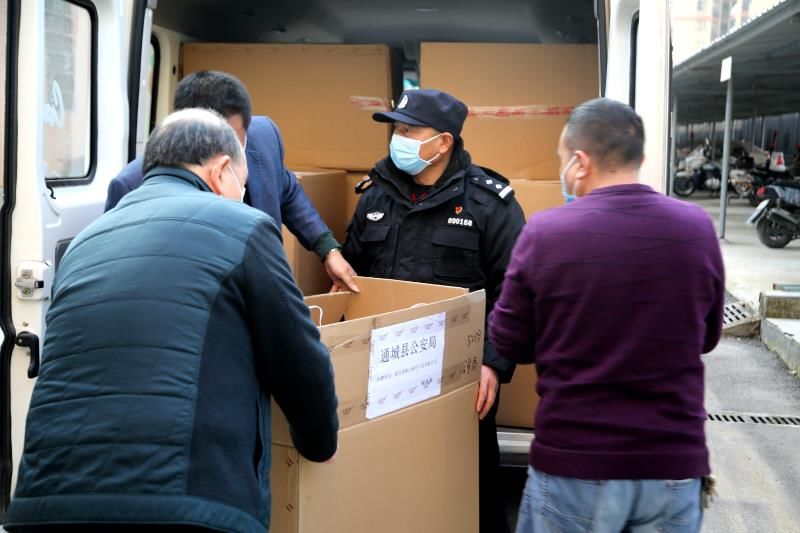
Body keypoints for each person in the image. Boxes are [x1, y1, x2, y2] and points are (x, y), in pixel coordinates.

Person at [5, 109, 339, 533]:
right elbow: (298, 360)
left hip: (44, 507)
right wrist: (319, 442)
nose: (242, 195)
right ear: (221, 171)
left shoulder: (84, 242)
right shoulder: (245, 226)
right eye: (242, 185)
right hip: (187, 506)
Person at [489, 98, 725, 533]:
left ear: (580, 162)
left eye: (562, 159)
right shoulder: (696, 228)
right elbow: (707, 336)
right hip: (673, 464)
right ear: (638, 157)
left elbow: (509, 342)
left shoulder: (545, 233)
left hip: (576, 463)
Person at [342, 89, 525, 533]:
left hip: (458, 379)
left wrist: (493, 363)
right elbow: (351, 280)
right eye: (396, 129)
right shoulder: (375, 197)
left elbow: (517, 292)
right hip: (383, 374)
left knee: (468, 492)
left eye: (409, 131)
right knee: (386, 488)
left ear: (443, 142)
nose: (398, 139)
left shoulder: (489, 204)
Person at [106, 70, 358, 293]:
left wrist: (328, 249)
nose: (227, 156)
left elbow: (288, 191)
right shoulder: (132, 184)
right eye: (213, 143)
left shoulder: (265, 136)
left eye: (234, 139)